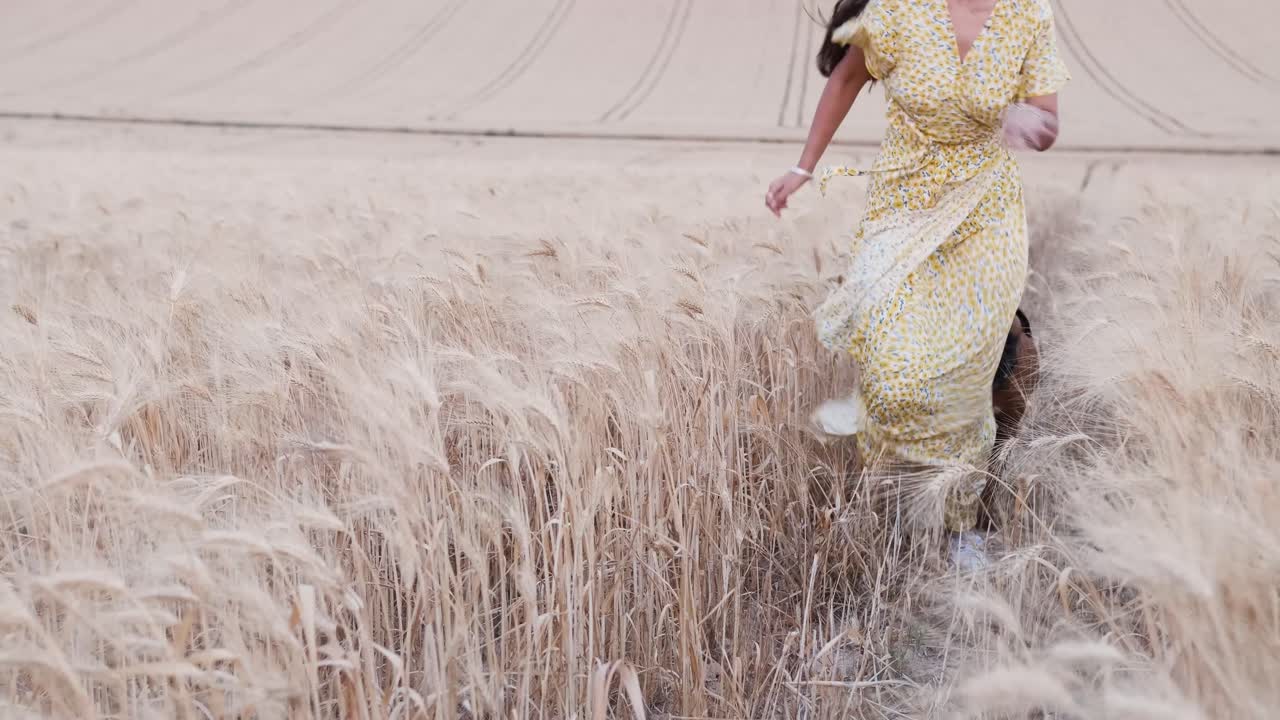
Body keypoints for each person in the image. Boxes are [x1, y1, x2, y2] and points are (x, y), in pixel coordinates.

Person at [765, 0, 1069, 568]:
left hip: (986, 209)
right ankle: (883, 412)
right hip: (904, 203)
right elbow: (846, 78)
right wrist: (801, 169)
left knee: (966, 372)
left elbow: (1047, 120)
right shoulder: (900, 9)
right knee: (891, 352)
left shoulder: (1030, 15)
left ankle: (961, 525)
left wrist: (1032, 123)